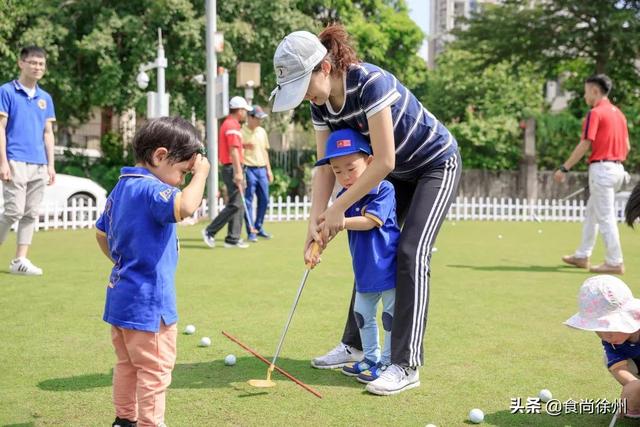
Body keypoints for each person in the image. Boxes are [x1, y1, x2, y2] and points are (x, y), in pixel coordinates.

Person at [270, 25, 461, 395]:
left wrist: (338, 209)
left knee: (409, 254)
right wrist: (317, 221)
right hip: (393, 173)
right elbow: (325, 164)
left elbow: (384, 160)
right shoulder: (320, 105)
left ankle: (405, 364)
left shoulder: (370, 83)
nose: (305, 96)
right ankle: (355, 345)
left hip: (433, 165)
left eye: (304, 84)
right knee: (371, 246)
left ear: (324, 67)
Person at [95, 117, 209, 427]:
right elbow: (185, 207)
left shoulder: (121, 187)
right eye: (183, 172)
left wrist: (125, 263)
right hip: (150, 305)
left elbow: (101, 235)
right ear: (159, 156)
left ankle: (124, 420)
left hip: (121, 297)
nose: (183, 180)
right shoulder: (151, 189)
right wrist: (203, 174)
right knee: (155, 371)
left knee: (127, 365)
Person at [312, 128, 400, 386]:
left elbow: (371, 222)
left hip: (387, 267)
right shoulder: (342, 199)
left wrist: (339, 219)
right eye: (338, 171)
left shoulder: (384, 189)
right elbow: (333, 226)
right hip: (364, 270)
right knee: (362, 315)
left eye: (351, 168)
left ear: (369, 162)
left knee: (389, 318)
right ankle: (371, 358)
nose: (345, 177)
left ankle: (387, 360)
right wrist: (317, 247)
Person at [555, 74, 630, 275]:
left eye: (586, 91)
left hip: (602, 169)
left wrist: (565, 168)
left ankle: (615, 261)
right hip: (617, 169)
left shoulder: (595, 113)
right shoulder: (619, 115)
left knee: (605, 217)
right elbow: (628, 146)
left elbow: (586, 143)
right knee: (592, 214)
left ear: (595, 91)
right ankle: (582, 255)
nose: (584, 95)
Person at [0, 46, 56, 275]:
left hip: (39, 163)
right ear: (21, 63)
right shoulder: (6, 91)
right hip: (15, 159)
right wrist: (3, 162)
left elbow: (48, 133)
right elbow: (1, 128)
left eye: (41, 64)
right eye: (33, 62)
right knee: (13, 210)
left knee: (30, 213)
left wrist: (51, 165)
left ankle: (20, 260)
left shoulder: (45, 98)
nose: (37, 67)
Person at [564, 275, 640, 419]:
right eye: (599, 330)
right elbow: (618, 368)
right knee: (608, 359)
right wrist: (632, 384)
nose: (605, 337)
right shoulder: (610, 341)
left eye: (609, 329)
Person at [202, 96, 252, 248]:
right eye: (245, 111)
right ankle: (209, 231)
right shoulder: (231, 125)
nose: (246, 114)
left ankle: (233, 238)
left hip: (232, 167)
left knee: (239, 204)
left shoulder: (231, 124)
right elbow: (233, 151)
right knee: (236, 204)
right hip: (232, 168)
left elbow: (235, 148)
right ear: (240, 110)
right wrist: (238, 172)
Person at [242, 105, 273, 242]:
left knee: (265, 199)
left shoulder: (262, 131)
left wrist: (269, 169)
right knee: (248, 201)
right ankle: (251, 231)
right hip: (248, 169)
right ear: (250, 117)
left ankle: (259, 227)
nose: (260, 121)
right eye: (258, 118)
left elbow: (265, 151)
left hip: (262, 169)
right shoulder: (241, 132)